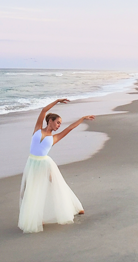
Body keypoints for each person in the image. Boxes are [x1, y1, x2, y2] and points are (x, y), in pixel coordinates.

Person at [18, 98, 95, 233]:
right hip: (32, 163)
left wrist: (82, 118)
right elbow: (44, 110)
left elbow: (70, 128)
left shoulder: (55, 137)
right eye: (58, 122)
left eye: (60, 124)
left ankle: (74, 207)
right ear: (50, 121)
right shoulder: (37, 129)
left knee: (57, 186)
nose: (59, 125)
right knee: (31, 190)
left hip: (45, 164)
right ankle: (36, 217)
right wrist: (57, 101)